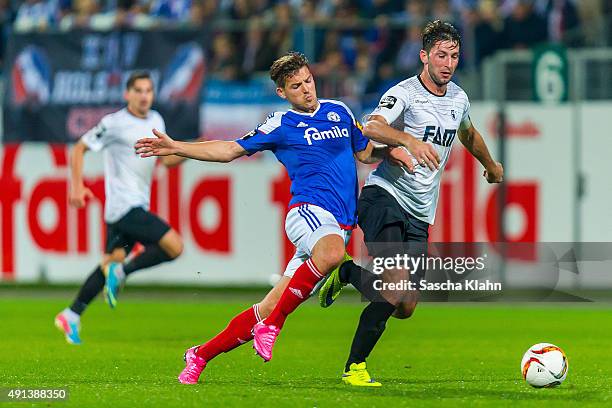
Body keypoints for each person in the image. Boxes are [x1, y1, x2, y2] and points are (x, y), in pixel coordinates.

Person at [134, 52, 413, 384]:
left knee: (269, 305)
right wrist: (178, 147)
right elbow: (230, 150)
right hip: (308, 213)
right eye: (296, 86)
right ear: (282, 93)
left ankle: (200, 355)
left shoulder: (338, 111)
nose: (307, 90)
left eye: (308, 81)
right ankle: (274, 325)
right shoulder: (280, 124)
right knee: (333, 255)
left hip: (337, 227)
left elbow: (363, 151)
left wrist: (389, 150)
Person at [318, 20, 504, 386]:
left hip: (420, 214)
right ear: (424, 56)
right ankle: (353, 367)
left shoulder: (458, 98)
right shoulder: (404, 93)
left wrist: (490, 164)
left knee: (405, 306)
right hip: (384, 197)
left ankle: (347, 272)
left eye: (453, 56)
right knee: (393, 286)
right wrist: (408, 141)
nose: (448, 63)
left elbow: (467, 133)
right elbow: (370, 126)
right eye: (440, 55)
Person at [54, 71, 186, 345]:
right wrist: (76, 186)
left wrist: (191, 150)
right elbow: (79, 148)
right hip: (125, 206)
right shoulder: (114, 123)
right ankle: (124, 272)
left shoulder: (156, 120)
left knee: (108, 264)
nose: (144, 95)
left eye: (148, 90)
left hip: (127, 209)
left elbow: (168, 161)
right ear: (127, 94)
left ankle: (72, 314)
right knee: (174, 246)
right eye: (138, 90)